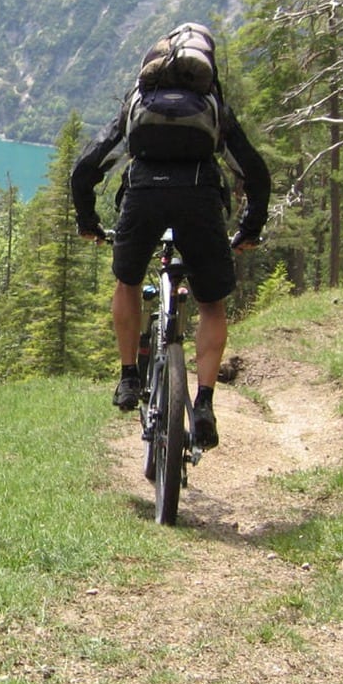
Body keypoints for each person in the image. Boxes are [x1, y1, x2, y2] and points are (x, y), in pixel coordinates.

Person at [70, 23, 270, 450]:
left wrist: (87, 220)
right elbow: (254, 172)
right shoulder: (212, 106)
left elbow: (87, 166)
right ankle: (204, 403)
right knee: (211, 303)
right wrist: (250, 227)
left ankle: (127, 377)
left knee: (126, 283)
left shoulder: (139, 103)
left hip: (143, 196)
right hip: (199, 199)